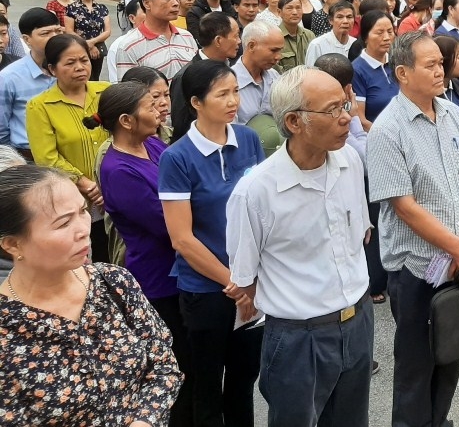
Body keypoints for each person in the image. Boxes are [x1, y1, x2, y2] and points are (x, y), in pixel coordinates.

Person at [227, 67, 374, 426]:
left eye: (346, 104)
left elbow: (359, 235)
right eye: (333, 109)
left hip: (358, 320)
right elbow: (244, 279)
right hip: (298, 339)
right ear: (294, 121)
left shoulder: (349, 161)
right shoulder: (256, 192)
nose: (347, 118)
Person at [367, 32, 459, 427]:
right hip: (418, 268)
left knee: (451, 352)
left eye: (442, 62)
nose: (442, 70)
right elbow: (404, 207)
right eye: (431, 65)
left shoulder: (452, 111)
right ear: (402, 73)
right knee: (415, 366)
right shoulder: (388, 129)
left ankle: (438, 420)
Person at [0, 164, 182, 424]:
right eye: (63, 223)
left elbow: (164, 364)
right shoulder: (8, 330)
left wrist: (145, 419)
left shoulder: (113, 282)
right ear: (13, 244)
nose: (83, 229)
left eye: (83, 211)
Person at [158, 60, 266, 426]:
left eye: (235, 91)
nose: (234, 100)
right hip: (208, 289)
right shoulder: (177, 158)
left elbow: (265, 208)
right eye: (222, 94)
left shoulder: (248, 139)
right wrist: (233, 284)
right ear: (196, 102)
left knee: (243, 381)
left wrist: (252, 281)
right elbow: (182, 239)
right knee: (206, 385)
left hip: (252, 284)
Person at [93, 82, 194, 425]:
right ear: (125, 120)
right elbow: (166, 224)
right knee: (177, 366)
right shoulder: (118, 171)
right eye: (150, 106)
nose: (159, 110)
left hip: (182, 263)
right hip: (158, 277)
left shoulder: (150, 143)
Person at [25, 34, 112, 262]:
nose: (80, 68)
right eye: (70, 63)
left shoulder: (106, 92)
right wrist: (87, 184)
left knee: (119, 254)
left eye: (84, 60)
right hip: (77, 199)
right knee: (87, 258)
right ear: (53, 69)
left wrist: (109, 183)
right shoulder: (40, 107)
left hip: (117, 189)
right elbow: (47, 158)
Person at [0, 8, 62, 157]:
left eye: (57, 31)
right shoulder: (9, 77)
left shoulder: (70, 69)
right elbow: (1, 129)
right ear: (27, 39)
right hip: (28, 158)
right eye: (45, 33)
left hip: (69, 153)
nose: (54, 37)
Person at [117, 0, 198, 83]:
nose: (175, 3)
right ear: (146, 3)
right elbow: (128, 94)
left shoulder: (186, 36)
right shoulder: (128, 46)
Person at [232, 20, 284, 125]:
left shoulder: (275, 77)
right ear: (251, 46)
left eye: (280, 51)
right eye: (273, 50)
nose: (278, 57)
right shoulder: (229, 82)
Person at [65, 0, 112, 81]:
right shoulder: (71, 8)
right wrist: (88, 46)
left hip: (98, 48)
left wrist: (93, 42)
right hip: (79, 48)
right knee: (84, 78)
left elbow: (107, 31)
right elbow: (69, 31)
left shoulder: (102, 8)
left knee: (95, 78)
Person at [306, 0, 357, 65]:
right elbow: (310, 72)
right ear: (331, 20)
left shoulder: (356, 44)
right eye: (340, 17)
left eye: (349, 17)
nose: (345, 21)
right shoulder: (317, 45)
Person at [276, 0, 316, 73]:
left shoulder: (309, 35)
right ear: (279, 12)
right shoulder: (274, 37)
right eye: (289, 8)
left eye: (298, 8)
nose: (295, 12)